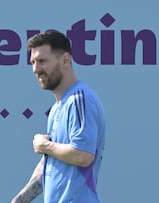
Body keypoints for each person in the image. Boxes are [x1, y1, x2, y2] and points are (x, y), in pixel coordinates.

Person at [11, 30, 106, 203]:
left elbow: (83, 155)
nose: (35, 69)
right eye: (33, 62)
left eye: (42, 61)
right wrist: (21, 199)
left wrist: (46, 146)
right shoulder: (57, 107)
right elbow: (51, 162)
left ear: (65, 60)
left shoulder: (80, 99)